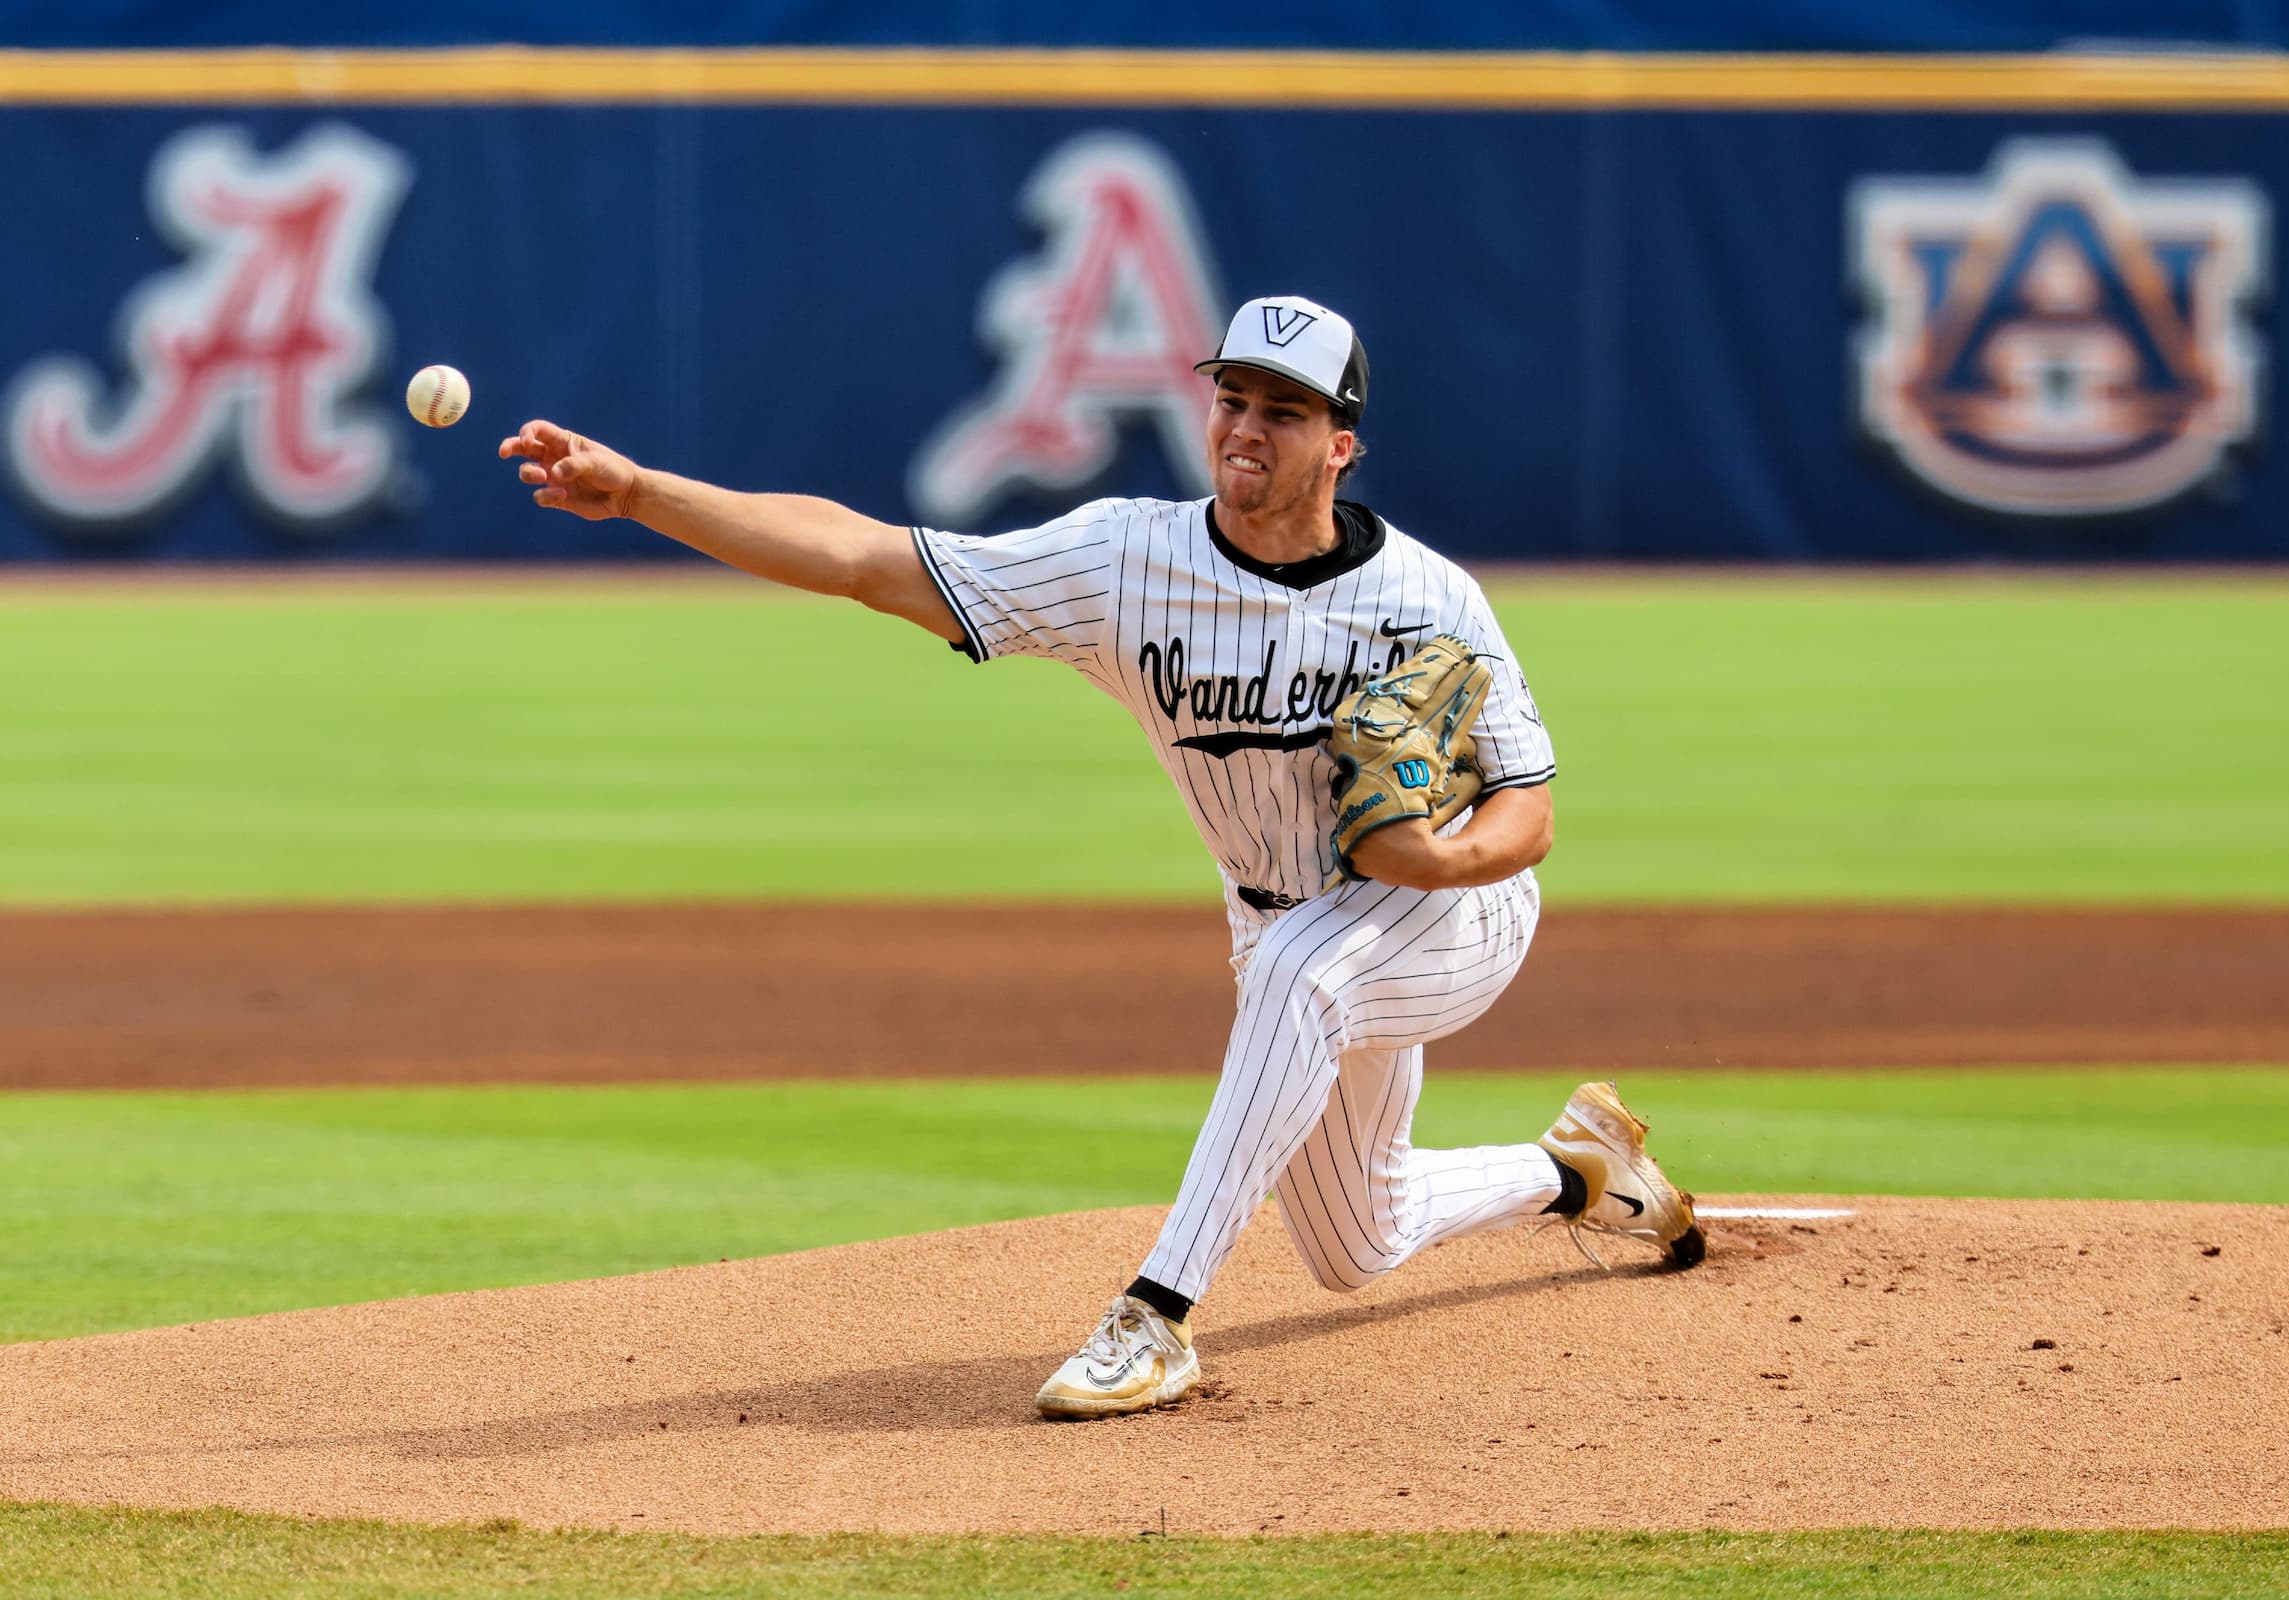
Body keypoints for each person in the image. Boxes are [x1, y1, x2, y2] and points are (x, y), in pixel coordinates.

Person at [500, 293, 1705, 1421]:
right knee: (1356, 1238)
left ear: (1342, 444)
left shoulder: (1430, 596)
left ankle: (1157, 1318)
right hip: (1287, 924)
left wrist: (1437, 858)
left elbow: (1531, 809)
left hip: (1457, 917)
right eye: (1232, 398)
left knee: (1302, 969)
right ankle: (1577, 1170)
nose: (1247, 428)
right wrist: (645, 490)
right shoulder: (1126, 560)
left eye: (1285, 411)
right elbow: (870, 559)